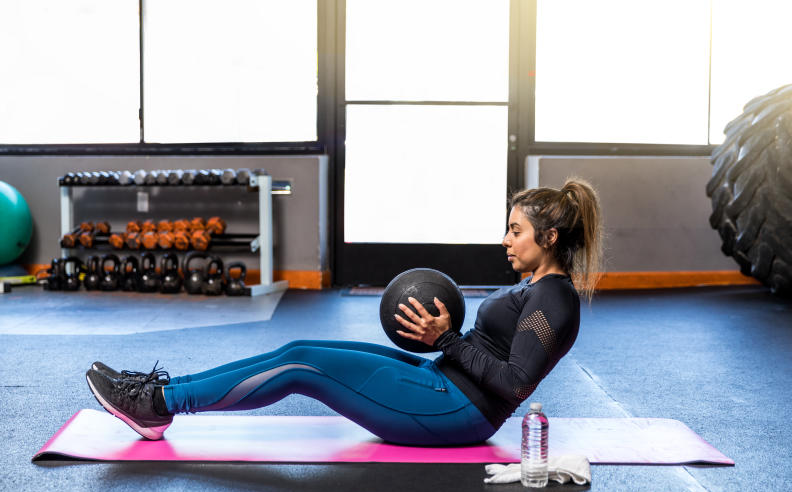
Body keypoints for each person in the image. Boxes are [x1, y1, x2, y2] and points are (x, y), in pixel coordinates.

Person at [85, 179, 604, 446]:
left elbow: (516, 384)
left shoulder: (554, 298)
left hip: (458, 413)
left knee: (299, 369)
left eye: (516, 231)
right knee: (299, 351)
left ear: (550, 237)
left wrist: (447, 339)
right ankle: (159, 393)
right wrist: (441, 341)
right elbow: (487, 350)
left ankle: (157, 405)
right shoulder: (533, 284)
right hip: (440, 379)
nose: (506, 240)